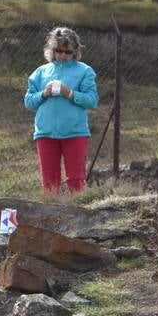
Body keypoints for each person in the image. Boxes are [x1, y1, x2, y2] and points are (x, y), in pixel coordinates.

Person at [25, 25, 100, 192]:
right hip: (45, 133)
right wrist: (43, 94)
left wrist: (71, 93)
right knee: (49, 184)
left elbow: (92, 100)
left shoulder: (85, 71)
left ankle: (79, 215)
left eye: (68, 52)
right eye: (59, 50)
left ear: (75, 52)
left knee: (76, 181)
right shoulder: (40, 72)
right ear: (52, 50)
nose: (62, 55)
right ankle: (51, 217)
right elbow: (29, 102)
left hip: (75, 132)